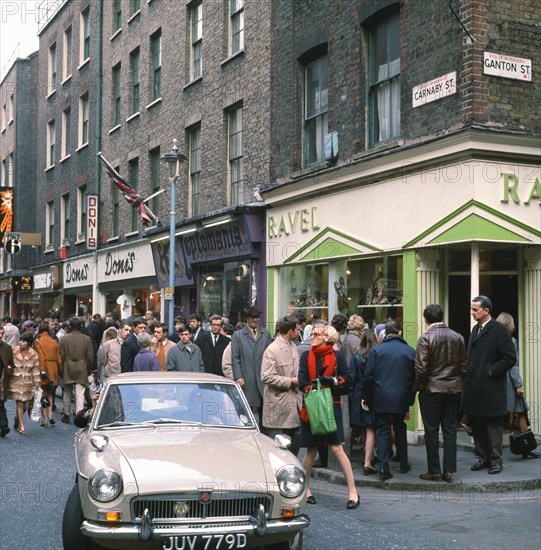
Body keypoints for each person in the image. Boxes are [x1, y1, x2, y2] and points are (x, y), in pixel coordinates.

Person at [299, 323, 359, 509]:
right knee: (311, 450)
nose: (313, 336)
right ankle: (306, 490)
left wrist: (331, 381)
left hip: (332, 407)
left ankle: (353, 492)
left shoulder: (337, 355)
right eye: (313, 334)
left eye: (317, 334)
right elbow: (301, 381)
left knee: (337, 449)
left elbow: (348, 380)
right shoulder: (305, 355)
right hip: (312, 408)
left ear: (327, 338)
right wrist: (314, 391)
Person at [462, 296, 516, 474]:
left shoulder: (500, 330)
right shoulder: (475, 329)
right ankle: (483, 458)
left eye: (475, 309)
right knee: (477, 426)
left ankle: (496, 461)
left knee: (493, 427)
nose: (472, 312)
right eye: (471, 309)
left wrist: (492, 371)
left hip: (491, 388)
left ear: (487, 311)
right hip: (475, 388)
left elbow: (510, 358)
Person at [414, 304, 467, 483]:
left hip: (432, 389)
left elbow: (421, 368)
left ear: (426, 319)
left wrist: (418, 387)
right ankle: (449, 471)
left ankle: (434, 470)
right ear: (442, 316)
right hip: (454, 389)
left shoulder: (425, 338)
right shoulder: (457, 336)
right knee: (450, 429)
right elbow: (464, 366)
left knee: (431, 430)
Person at [361, 319, 416, 481]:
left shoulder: (377, 351)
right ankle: (404, 463)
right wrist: (410, 399)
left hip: (381, 397)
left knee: (383, 429)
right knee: (400, 427)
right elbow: (415, 378)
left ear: (385, 333)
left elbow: (368, 377)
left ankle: (383, 467)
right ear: (400, 333)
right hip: (402, 397)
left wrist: (366, 397)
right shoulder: (410, 351)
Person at [496, 312, 539, 459]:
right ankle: (527, 448)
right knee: (521, 412)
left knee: (497, 416)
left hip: (497, 381)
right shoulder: (511, 340)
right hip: (509, 381)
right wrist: (518, 385)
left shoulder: (493, 339)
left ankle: (494, 451)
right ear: (511, 324)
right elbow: (513, 365)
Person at [261, 316, 302, 456]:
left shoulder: (294, 346)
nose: (299, 332)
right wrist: (290, 381)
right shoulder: (272, 349)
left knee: (296, 440)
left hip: (293, 403)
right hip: (278, 405)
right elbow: (266, 376)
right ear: (290, 331)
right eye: (297, 329)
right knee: (278, 448)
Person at [231, 306, 272, 423]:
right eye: (252, 317)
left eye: (257, 317)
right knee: (251, 410)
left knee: (266, 408)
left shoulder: (266, 334)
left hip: (263, 377)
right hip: (247, 378)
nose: (255, 320)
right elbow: (235, 358)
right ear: (247, 319)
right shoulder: (238, 335)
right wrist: (238, 376)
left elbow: (270, 356)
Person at [349, 329, 378, 475]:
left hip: (358, 393)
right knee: (371, 427)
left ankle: (365, 457)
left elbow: (352, 378)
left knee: (361, 426)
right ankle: (369, 460)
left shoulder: (356, 356)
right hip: (374, 394)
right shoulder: (377, 354)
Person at [59, 317, 95, 423]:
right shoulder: (86, 339)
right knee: (80, 392)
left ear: (69, 326)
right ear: (81, 326)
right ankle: (79, 415)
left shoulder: (64, 339)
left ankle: (66, 414)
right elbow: (90, 357)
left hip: (67, 365)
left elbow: (61, 355)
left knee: (67, 392)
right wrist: (88, 369)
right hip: (81, 365)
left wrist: (62, 368)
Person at [8, 333, 40, 435]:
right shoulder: (13, 351)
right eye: (20, 340)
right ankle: (22, 426)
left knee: (26, 405)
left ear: (29, 343)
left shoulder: (33, 354)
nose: (21, 342)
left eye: (24, 341)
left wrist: (37, 384)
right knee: (19, 403)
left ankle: (17, 419)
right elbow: (9, 363)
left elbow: (35, 370)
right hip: (16, 381)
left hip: (27, 382)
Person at [33, 322, 62, 427]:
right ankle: (50, 415)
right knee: (50, 392)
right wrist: (60, 370)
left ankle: (44, 419)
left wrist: (41, 370)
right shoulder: (54, 342)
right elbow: (58, 358)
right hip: (53, 367)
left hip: (44, 367)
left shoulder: (38, 341)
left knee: (43, 392)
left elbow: (40, 356)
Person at [0, 327, 15, 437]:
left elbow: (11, 363)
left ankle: (4, 426)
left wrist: (9, 370)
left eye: (2, 333)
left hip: (2, 379)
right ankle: (4, 426)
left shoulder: (7, 347)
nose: (0, 335)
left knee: (0, 404)